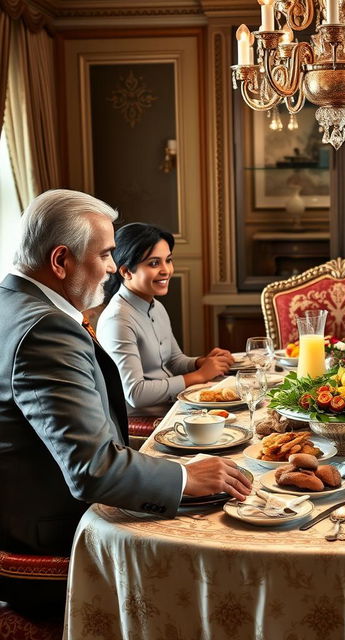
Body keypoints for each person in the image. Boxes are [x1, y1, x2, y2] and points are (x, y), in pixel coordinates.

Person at [0, 190, 251, 611]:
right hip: (51, 543)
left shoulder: (12, 303)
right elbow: (92, 470)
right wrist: (185, 478)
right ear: (61, 261)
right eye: (105, 255)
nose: (112, 268)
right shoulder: (47, 331)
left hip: (26, 516)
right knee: (224, 564)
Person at [97, 223, 233, 416]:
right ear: (126, 271)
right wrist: (200, 375)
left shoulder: (156, 307)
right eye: (154, 263)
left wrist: (202, 362)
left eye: (168, 260)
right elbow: (135, 393)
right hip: (145, 420)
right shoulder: (118, 320)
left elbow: (173, 361)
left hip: (173, 408)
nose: (166, 270)